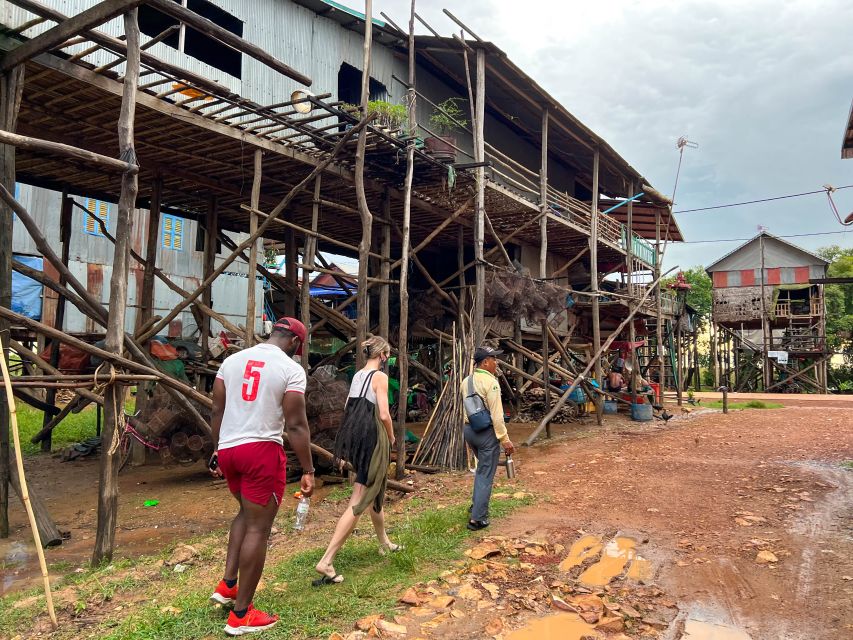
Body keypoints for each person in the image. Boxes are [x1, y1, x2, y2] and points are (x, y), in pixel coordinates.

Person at [208, 317, 315, 636]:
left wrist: (216, 450)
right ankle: (241, 614)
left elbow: (216, 411)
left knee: (245, 513)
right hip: (261, 452)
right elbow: (295, 425)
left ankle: (228, 586)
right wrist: (309, 469)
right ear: (296, 344)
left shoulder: (231, 361)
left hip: (229, 451)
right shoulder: (291, 369)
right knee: (259, 527)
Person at [314, 335, 400, 586]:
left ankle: (383, 542)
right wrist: (392, 436)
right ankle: (327, 559)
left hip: (357, 438)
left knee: (373, 491)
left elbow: (350, 409)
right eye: (388, 355)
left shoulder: (357, 376)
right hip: (374, 437)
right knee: (361, 496)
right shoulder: (380, 377)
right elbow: (383, 413)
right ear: (383, 355)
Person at [461, 345, 514, 531]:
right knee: (485, 473)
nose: (496, 362)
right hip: (486, 434)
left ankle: (476, 505)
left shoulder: (466, 381)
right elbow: (497, 417)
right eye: (493, 359)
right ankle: (478, 519)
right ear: (485, 362)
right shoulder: (491, 383)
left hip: (469, 431)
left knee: (481, 469)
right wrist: (505, 439)